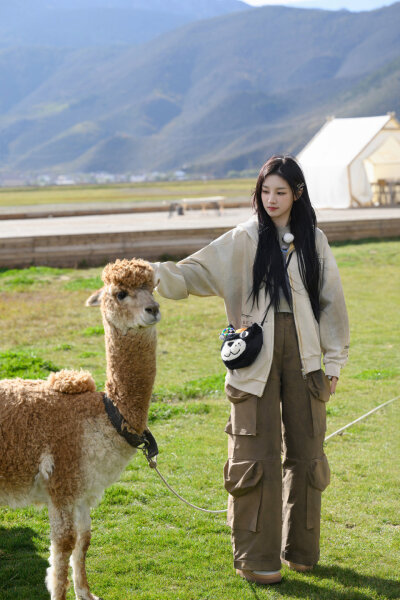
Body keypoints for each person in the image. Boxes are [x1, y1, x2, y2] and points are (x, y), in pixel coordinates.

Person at [151, 155, 349, 585]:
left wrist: (332, 363)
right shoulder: (242, 239)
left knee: (307, 453)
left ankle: (301, 550)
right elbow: (193, 272)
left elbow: (332, 304)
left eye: (281, 191)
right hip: (253, 356)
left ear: (297, 194)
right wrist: (147, 274)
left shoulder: (315, 241)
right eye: (265, 191)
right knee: (253, 455)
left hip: (307, 357)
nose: (272, 200)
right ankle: (258, 559)